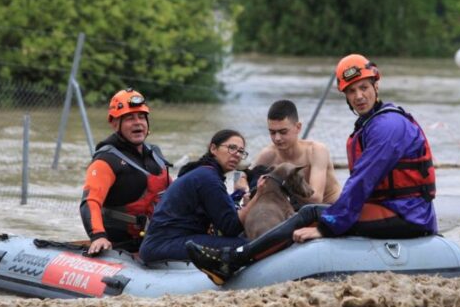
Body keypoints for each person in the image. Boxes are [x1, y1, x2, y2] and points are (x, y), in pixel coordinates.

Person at [185, 54, 437, 285]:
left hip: (407, 215)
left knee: (310, 213)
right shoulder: (370, 124)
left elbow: (361, 182)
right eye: (351, 91)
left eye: (363, 88)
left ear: (376, 86)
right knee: (310, 213)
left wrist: (327, 226)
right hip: (395, 209)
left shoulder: (387, 126)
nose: (359, 96)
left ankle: (233, 260)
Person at [138, 129, 259, 263]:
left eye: (241, 151)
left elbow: (221, 211)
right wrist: (257, 197)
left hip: (162, 242)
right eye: (232, 148)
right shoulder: (208, 178)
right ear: (213, 148)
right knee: (246, 246)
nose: (237, 154)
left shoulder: (203, 172)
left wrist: (240, 196)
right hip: (165, 244)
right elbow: (231, 227)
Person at [80, 88, 172, 254]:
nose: (137, 122)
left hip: (155, 240)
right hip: (120, 246)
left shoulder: (155, 154)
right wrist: (98, 236)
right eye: (129, 118)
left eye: (142, 117)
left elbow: (175, 194)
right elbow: (90, 202)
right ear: (115, 123)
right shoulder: (106, 160)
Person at [234, 99, 341, 205]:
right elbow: (246, 177)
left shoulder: (316, 151)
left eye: (283, 132)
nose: (277, 138)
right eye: (272, 132)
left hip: (330, 209)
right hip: (295, 211)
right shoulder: (268, 155)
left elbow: (316, 199)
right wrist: (243, 180)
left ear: (298, 127)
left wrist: (282, 182)